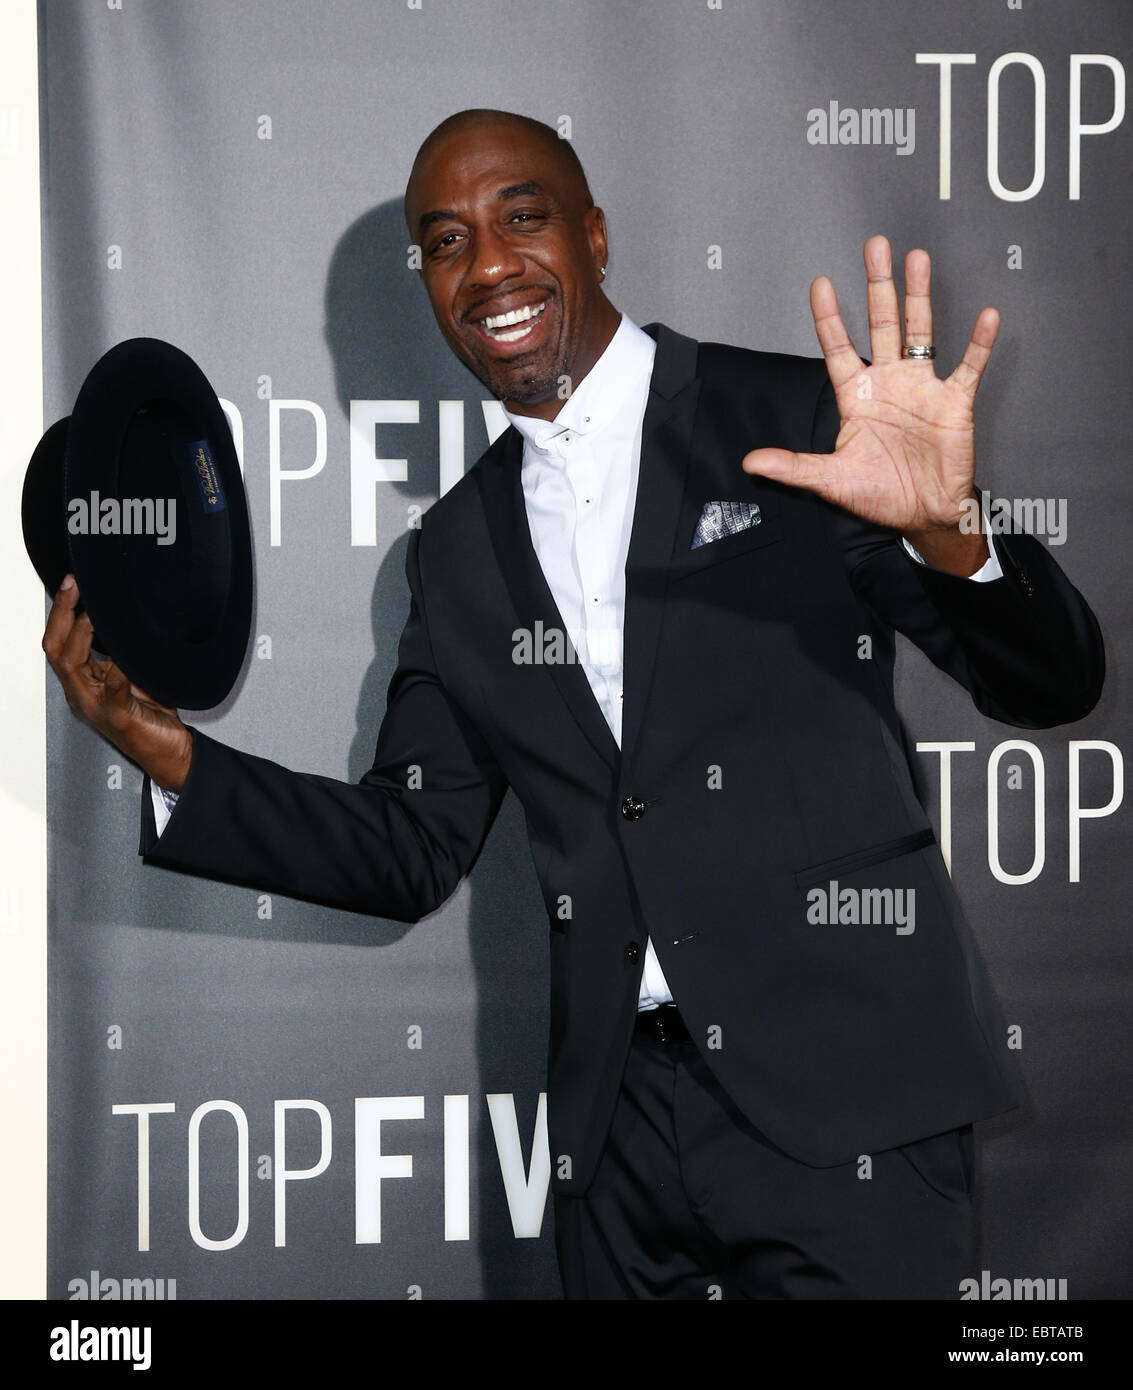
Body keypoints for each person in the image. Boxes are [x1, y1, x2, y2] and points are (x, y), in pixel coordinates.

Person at [43, 109, 1104, 1299]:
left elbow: (1052, 683)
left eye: (522, 218)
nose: (487, 264)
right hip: (616, 1152)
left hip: (849, 1106)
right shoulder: (452, 553)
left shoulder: (807, 426)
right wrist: (167, 752)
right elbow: (408, 843)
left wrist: (953, 536)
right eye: (444, 241)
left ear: (594, 235)